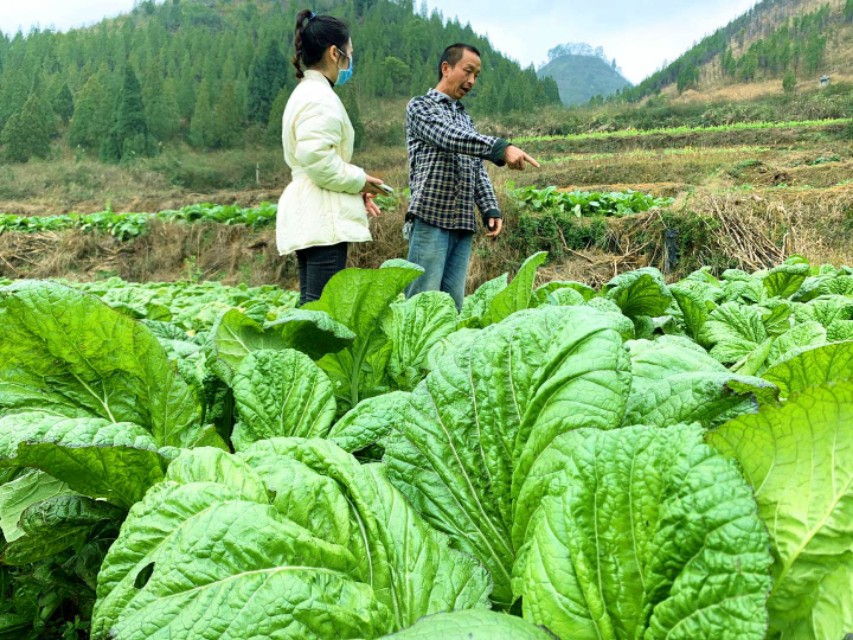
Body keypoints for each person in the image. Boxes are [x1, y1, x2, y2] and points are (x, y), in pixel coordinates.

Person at [404, 43, 539, 310]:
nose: (471, 81)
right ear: (446, 68)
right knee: (422, 304)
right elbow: (449, 137)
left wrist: (490, 207)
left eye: (476, 75)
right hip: (431, 216)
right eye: (467, 71)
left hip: (462, 222)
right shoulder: (421, 107)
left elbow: (476, 167)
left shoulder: (465, 119)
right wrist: (501, 147)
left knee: (452, 306)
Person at [277, 9, 386, 306]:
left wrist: (356, 188)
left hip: (313, 210)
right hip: (321, 215)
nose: (350, 61)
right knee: (322, 311)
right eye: (349, 53)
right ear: (334, 53)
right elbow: (318, 159)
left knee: (312, 305)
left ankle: (299, 354)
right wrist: (359, 179)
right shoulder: (319, 98)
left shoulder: (307, 92)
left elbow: (317, 160)